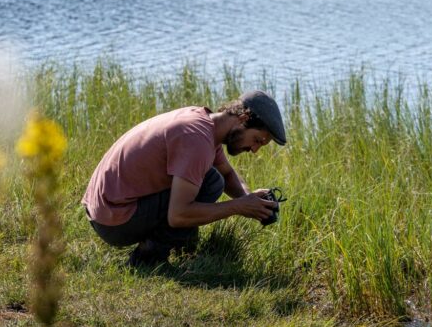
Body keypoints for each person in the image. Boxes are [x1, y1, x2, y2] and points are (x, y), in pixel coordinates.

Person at [82, 90, 286, 265]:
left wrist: (250, 199)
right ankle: (148, 258)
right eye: (257, 140)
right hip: (114, 220)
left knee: (213, 178)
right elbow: (178, 215)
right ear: (243, 119)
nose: (255, 149)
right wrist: (237, 207)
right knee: (211, 183)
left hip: (104, 209)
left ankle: (182, 248)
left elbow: (227, 172)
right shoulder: (196, 140)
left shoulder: (205, 124)